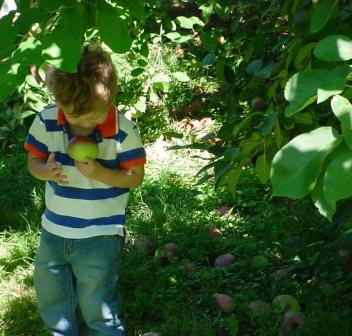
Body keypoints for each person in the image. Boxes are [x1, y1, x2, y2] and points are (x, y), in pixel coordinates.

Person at [24, 43, 146, 336]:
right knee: (51, 290)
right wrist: (44, 171)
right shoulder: (47, 120)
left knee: (97, 295)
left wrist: (100, 172)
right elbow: (32, 161)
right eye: (76, 116)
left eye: (93, 115)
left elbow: (135, 177)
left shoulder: (123, 131)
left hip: (100, 233)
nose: (86, 123)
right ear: (59, 100)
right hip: (54, 228)